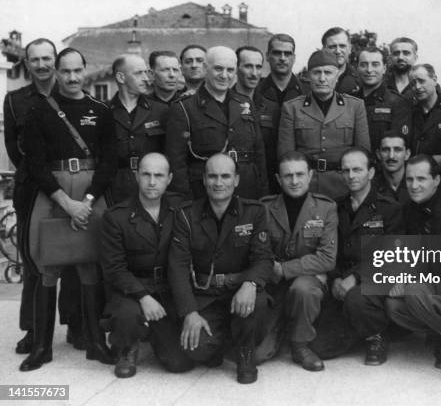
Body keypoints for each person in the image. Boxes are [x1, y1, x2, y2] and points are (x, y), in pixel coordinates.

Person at [20, 48, 117, 371]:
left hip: (90, 192)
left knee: (91, 266)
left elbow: (109, 161)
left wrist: (87, 202)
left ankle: (95, 344)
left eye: (78, 71)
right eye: (66, 71)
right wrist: (66, 202)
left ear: (85, 71)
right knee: (48, 267)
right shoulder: (38, 111)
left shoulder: (100, 110)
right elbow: (34, 163)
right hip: (53, 194)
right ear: (57, 73)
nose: (73, 78)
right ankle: (42, 347)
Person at [3, 38, 84, 355]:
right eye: (34, 60)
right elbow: (13, 149)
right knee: (35, 259)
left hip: (72, 185)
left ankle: (76, 325)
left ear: (56, 60)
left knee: (76, 257)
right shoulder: (14, 101)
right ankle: (34, 329)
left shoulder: (74, 95)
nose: (41, 65)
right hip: (33, 188)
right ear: (27, 62)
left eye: (47, 58)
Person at [167, 153, 273, 384]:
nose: (218, 182)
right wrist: (190, 313)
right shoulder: (186, 215)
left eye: (225, 176)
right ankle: (226, 340)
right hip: (206, 296)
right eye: (212, 176)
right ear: (204, 179)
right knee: (196, 351)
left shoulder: (253, 212)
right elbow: (177, 267)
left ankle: (245, 353)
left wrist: (250, 283)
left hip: (239, 291)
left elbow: (264, 259)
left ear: (236, 180)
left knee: (259, 301)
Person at [101, 153, 193, 377]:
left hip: (168, 286)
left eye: (159, 176)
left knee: (179, 363)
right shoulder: (116, 217)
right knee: (127, 315)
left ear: (169, 178)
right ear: (136, 176)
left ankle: (153, 335)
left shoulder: (180, 208)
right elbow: (114, 268)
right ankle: (126, 348)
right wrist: (143, 297)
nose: (152, 182)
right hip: (132, 288)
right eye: (146, 174)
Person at [260, 151, 338, 372]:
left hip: (304, 280)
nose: (294, 181)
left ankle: (300, 345)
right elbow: (258, 251)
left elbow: (327, 258)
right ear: (278, 179)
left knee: (303, 289)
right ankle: (278, 330)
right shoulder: (264, 208)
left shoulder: (326, 208)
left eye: (300, 174)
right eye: (288, 176)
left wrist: (284, 269)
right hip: (273, 283)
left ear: (310, 175)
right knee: (258, 355)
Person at [385, 154, 441, 369]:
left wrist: (411, 282)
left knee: (413, 293)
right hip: (429, 281)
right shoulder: (409, 210)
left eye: (421, 179)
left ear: (436, 181)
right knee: (393, 307)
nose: (414, 185)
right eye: (409, 180)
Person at [165, 46, 268, 200]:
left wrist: (263, 194)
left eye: (230, 70)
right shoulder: (184, 107)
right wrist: (185, 203)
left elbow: (259, 154)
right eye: (218, 69)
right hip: (204, 193)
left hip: (246, 189)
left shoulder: (245, 104)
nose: (224, 75)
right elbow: (176, 163)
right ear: (206, 68)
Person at [332, 147, 404, 365]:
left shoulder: (389, 209)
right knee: (322, 347)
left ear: (371, 173)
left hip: (377, 277)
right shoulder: (336, 207)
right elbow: (330, 249)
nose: (351, 176)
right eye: (346, 171)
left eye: (357, 169)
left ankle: (377, 336)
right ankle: (356, 329)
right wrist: (335, 277)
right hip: (342, 278)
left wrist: (355, 277)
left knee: (356, 299)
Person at [278, 50, 370, 199]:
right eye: (316, 73)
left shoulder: (355, 106)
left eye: (328, 73)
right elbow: (286, 156)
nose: (322, 78)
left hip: (344, 186)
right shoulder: (292, 108)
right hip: (306, 186)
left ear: (337, 75)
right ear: (308, 76)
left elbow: (363, 153)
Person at [108, 54, 168, 203]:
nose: (146, 78)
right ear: (121, 77)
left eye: (146, 72)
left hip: (152, 185)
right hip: (115, 187)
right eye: (138, 73)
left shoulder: (161, 111)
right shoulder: (104, 111)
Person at [255, 34, 306, 194]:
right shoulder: (255, 93)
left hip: (298, 179)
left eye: (287, 54)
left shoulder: (308, 93)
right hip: (264, 178)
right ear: (267, 56)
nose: (283, 58)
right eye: (277, 53)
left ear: (294, 57)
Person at [355, 47, 409, 151]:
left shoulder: (397, 102)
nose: (369, 70)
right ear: (357, 67)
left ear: (384, 68)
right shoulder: (349, 101)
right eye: (363, 64)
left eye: (375, 65)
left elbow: (400, 145)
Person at [408, 64, 441, 165]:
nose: (417, 87)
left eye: (421, 81)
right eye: (413, 83)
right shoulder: (409, 112)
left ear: (434, 79)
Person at [372, 131, 411, 205]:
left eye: (397, 150)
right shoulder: (370, 188)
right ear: (378, 154)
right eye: (386, 150)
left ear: (407, 154)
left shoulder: (418, 184)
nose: (391, 156)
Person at [321, 27, 360, 95]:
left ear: (349, 49)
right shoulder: (311, 80)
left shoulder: (360, 81)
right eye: (332, 47)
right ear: (323, 50)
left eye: (342, 46)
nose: (338, 51)